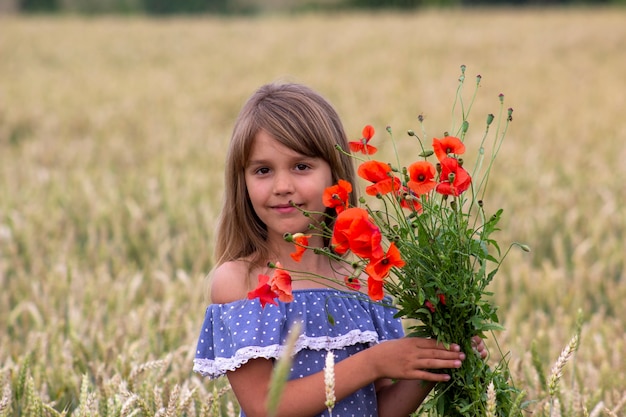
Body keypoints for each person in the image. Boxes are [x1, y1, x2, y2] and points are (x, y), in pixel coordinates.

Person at [193, 82, 486, 417]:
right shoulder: (240, 282)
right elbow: (265, 407)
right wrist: (374, 363)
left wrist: (436, 360)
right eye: (263, 170)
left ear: (335, 172)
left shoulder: (365, 285)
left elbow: (380, 410)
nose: (282, 186)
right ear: (241, 182)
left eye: (301, 166)